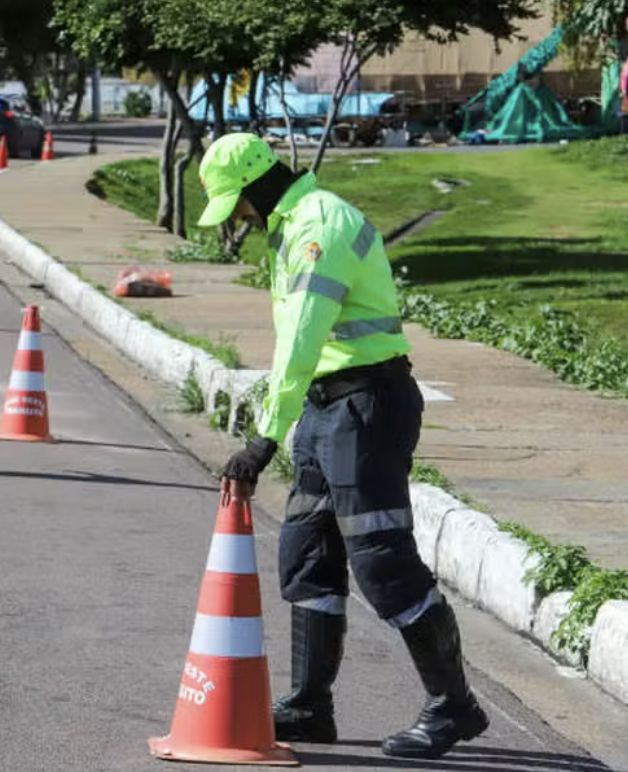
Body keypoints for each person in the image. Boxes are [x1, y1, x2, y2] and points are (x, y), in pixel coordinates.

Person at [197, 133, 487, 760]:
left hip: (368, 406)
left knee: (382, 560)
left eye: (235, 204)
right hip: (327, 408)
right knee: (306, 554)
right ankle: (309, 706)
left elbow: (301, 339)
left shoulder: (319, 226)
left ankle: (454, 706)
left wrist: (263, 439)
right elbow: (302, 354)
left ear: (252, 186)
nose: (237, 218)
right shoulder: (291, 222)